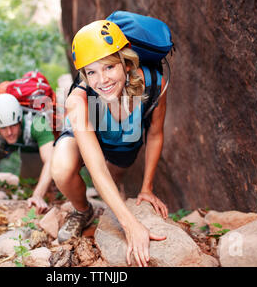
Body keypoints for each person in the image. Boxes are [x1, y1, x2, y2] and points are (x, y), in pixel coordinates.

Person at [51, 20, 169, 267]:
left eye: (109, 68)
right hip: (89, 125)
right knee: (61, 168)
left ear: (126, 64)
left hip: (125, 137)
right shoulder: (78, 99)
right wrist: (131, 225)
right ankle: (83, 211)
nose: (101, 80)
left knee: (114, 179)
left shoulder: (154, 83)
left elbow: (156, 134)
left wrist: (146, 188)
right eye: (91, 72)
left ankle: (112, 198)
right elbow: (96, 170)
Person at [0, 93, 54, 213]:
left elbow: (50, 160)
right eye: (3, 127)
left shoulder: (38, 122)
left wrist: (37, 195)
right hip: (3, 144)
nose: (9, 132)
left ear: (20, 119)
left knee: (28, 186)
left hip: (32, 148)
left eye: (13, 126)